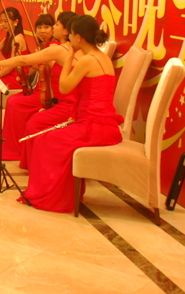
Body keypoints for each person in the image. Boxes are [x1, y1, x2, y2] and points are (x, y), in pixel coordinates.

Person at [20, 15, 123, 213]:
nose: (69, 39)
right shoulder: (103, 58)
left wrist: (69, 56)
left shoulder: (86, 60)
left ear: (79, 38)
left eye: (72, 35)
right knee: (47, 137)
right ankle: (58, 193)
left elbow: (64, 87)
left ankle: (53, 196)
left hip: (93, 127)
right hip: (105, 125)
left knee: (45, 140)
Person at [0, 12, 78, 161]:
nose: (52, 28)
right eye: (40, 27)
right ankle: (16, 148)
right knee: (13, 102)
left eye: (55, 25)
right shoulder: (64, 48)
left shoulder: (59, 48)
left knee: (21, 110)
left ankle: (21, 151)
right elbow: (41, 65)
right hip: (58, 93)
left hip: (60, 98)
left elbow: (24, 60)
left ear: (66, 30)